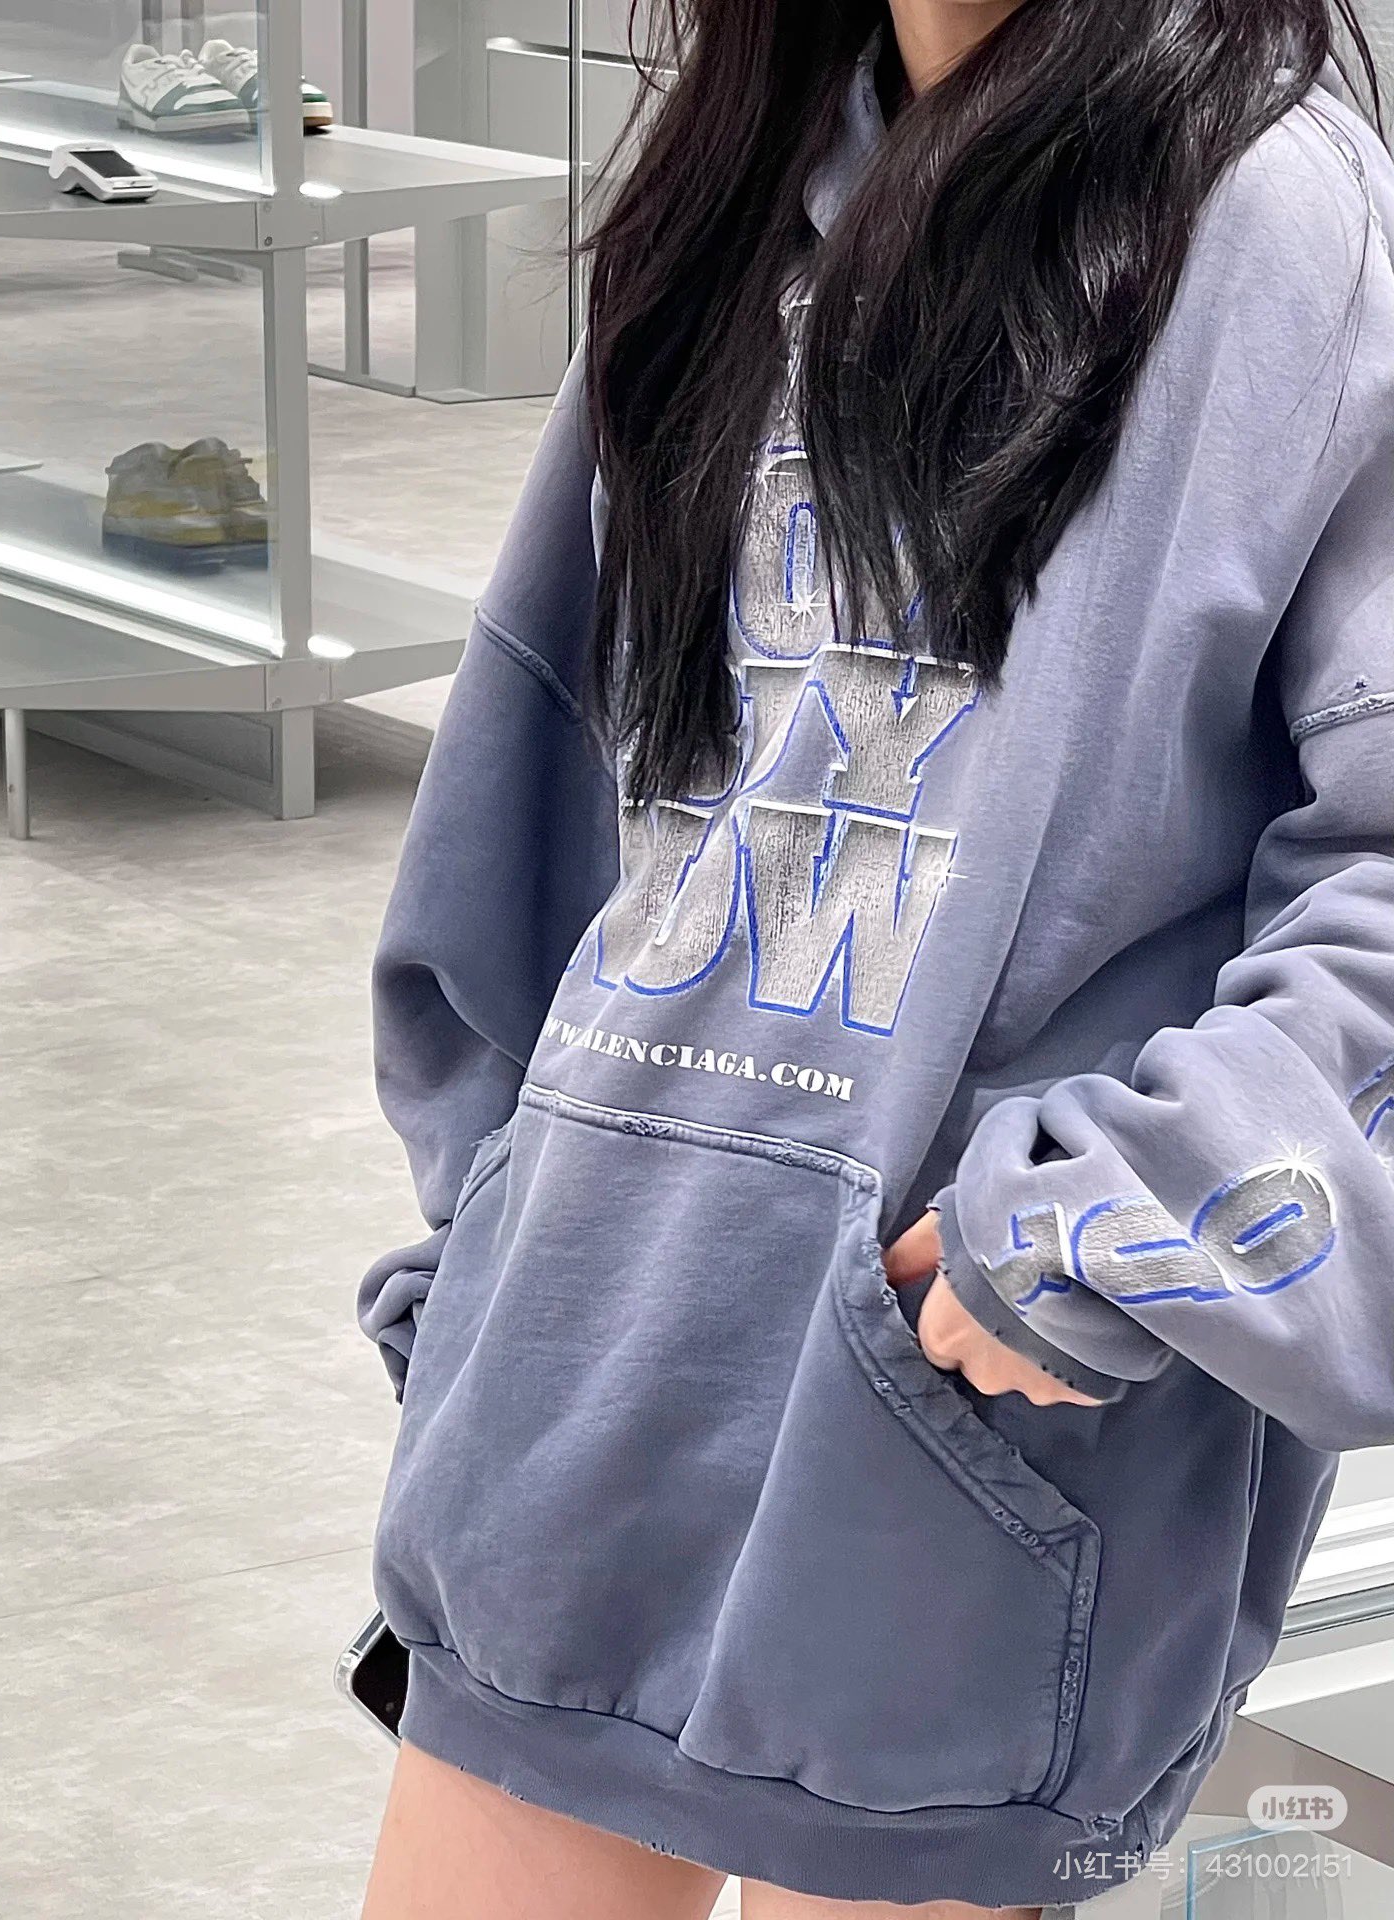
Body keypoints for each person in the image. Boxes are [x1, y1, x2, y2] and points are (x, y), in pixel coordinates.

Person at [356, 0, 1394, 1908]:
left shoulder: (1274, 214)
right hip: (575, 1406)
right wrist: (492, 1239)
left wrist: (1127, 1217)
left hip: (948, 1460)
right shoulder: (735, 196)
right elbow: (544, 780)